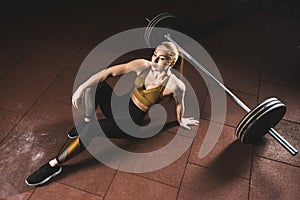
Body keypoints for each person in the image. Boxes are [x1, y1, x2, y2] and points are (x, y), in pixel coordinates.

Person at [25, 41, 199, 186]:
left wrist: (180, 119)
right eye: (154, 54)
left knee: (94, 129)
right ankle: (86, 121)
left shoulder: (175, 85)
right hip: (120, 107)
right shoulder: (142, 65)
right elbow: (107, 73)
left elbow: (179, 104)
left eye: (160, 59)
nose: (154, 60)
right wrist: (81, 87)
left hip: (130, 123)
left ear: (171, 62)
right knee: (96, 86)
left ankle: (54, 165)